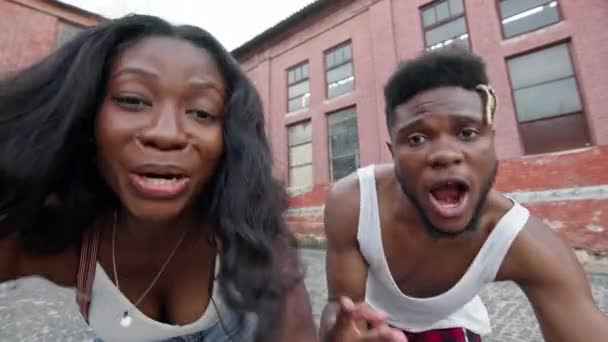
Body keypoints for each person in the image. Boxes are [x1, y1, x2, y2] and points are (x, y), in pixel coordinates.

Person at [0, 14, 317, 342]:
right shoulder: (54, 238)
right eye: (132, 100)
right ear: (87, 116)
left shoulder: (251, 236)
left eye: (202, 112)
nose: (167, 134)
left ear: (228, 141)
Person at [319, 47, 608, 342]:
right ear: (394, 153)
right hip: (374, 324)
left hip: (452, 324)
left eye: (467, 133)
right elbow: (339, 306)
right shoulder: (353, 203)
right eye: (417, 138)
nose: (445, 154)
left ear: (491, 141)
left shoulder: (517, 239)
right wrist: (338, 335)